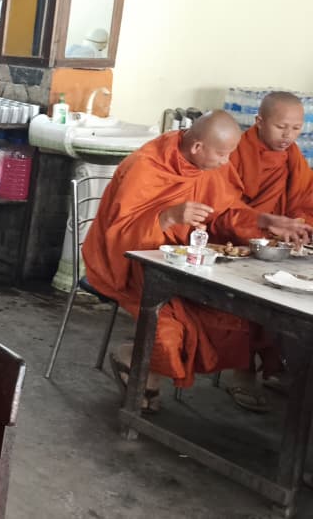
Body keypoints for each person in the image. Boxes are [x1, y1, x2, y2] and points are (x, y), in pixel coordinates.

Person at [83, 111, 313, 412]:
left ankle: (141, 366)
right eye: (222, 154)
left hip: (185, 260)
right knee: (168, 323)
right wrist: (168, 217)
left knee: (229, 315)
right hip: (128, 261)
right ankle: (135, 361)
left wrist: (265, 220)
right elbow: (118, 231)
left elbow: (226, 212)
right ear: (197, 148)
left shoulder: (212, 165)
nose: (226, 162)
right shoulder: (147, 166)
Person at [230, 91, 313, 222]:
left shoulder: (293, 156)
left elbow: (306, 199)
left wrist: (299, 220)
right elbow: (222, 202)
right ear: (259, 122)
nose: (288, 135)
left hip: (283, 235)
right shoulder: (234, 150)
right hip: (243, 229)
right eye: (280, 127)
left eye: (296, 128)